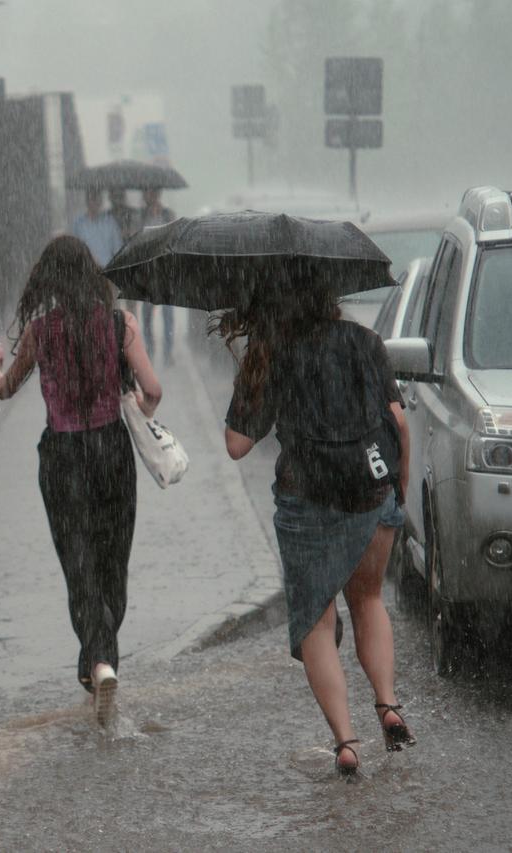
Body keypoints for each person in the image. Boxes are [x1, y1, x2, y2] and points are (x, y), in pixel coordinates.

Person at [216, 262, 414, 779]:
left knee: (317, 621)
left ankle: (346, 741)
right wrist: (398, 491)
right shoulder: (365, 341)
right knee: (368, 600)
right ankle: (388, 704)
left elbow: (237, 445)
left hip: (308, 498)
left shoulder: (272, 352)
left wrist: (251, 383)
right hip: (372, 492)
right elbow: (398, 421)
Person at [0, 235, 162, 726]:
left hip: (62, 458)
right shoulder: (120, 324)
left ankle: (97, 664)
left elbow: (6, 389)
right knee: (113, 565)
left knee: (79, 565)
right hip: (112, 452)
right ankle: (102, 663)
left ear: (50, 281)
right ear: (92, 274)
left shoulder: (41, 332)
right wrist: (137, 407)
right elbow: (153, 390)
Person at [137, 187, 178, 365]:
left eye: (152, 192)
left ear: (157, 194)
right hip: (147, 271)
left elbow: (174, 238)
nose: (149, 196)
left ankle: (168, 352)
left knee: (167, 314)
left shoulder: (168, 214)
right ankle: (150, 348)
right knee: (146, 314)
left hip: (164, 270)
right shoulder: (140, 216)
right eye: (147, 193)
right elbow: (137, 239)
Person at [71, 188, 124, 268]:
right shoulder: (79, 224)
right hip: (87, 270)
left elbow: (118, 250)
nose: (95, 202)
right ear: (87, 201)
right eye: (92, 198)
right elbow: (75, 250)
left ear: (101, 201)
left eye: (97, 199)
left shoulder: (110, 223)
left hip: (107, 269)